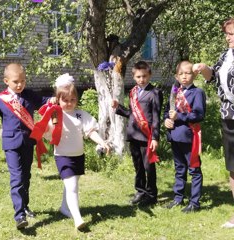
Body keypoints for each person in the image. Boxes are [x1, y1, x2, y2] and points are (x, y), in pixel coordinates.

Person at [0, 63, 49, 230]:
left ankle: (25, 206)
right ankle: (19, 215)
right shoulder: (0, 99)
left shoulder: (28, 95)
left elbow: (43, 102)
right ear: (6, 81)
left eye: (23, 81)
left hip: (28, 142)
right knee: (16, 178)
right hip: (11, 144)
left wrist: (55, 99)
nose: (20, 85)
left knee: (26, 176)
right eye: (16, 81)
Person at [44, 73, 110, 230]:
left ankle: (64, 208)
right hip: (62, 156)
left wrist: (102, 142)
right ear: (58, 99)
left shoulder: (81, 115)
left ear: (77, 100)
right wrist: (48, 124)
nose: (69, 103)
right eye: (65, 100)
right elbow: (48, 133)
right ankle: (77, 218)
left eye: (72, 100)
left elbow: (91, 131)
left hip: (78, 156)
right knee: (72, 186)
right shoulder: (55, 114)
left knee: (71, 184)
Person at [193, 17, 234, 226]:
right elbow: (213, 78)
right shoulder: (226, 56)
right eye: (227, 34)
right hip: (229, 115)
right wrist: (204, 68)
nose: (228, 38)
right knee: (233, 166)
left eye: (232, 34)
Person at [112, 61, 163, 206]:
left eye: (145, 76)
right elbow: (131, 114)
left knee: (149, 167)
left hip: (147, 137)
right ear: (134, 77)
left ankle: (152, 195)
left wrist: (155, 137)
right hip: (133, 134)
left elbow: (156, 117)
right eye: (139, 77)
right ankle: (140, 192)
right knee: (138, 166)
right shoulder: (133, 92)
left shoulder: (155, 93)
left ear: (150, 75)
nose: (142, 79)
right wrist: (118, 107)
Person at [164, 60, 206, 213]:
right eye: (180, 74)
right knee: (179, 169)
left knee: (194, 169)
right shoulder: (175, 92)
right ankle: (178, 198)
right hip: (175, 136)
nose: (184, 76)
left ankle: (194, 202)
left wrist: (179, 117)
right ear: (176, 75)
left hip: (190, 137)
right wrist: (166, 121)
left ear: (194, 74)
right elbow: (167, 112)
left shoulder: (198, 93)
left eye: (188, 73)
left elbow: (199, 115)